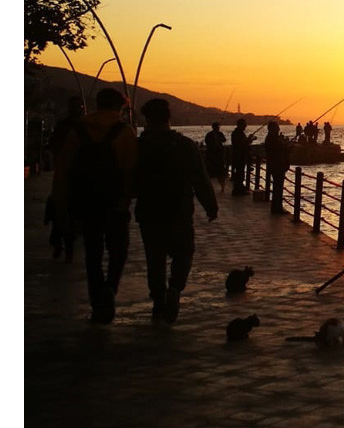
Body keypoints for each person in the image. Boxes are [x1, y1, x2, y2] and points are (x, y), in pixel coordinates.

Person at [49, 87, 137, 323]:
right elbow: (130, 171)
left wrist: (59, 202)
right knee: (119, 248)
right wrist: (127, 199)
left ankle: (97, 299)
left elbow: (63, 170)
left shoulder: (78, 130)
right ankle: (110, 287)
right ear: (120, 106)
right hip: (115, 203)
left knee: (92, 251)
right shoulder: (124, 131)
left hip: (85, 202)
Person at [135, 99, 219, 323]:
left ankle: (158, 301)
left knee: (155, 258)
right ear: (168, 118)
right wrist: (210, 205)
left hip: (149, 212)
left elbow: (128, 180)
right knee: (184, 252)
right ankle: (175, 288)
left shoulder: (139, 146)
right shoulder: (184, 145)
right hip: (179, 210)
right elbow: (200, 179)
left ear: (148, 119)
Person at [45, 96, 83, 261]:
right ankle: (66, 246)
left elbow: (53, 146)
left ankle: (60, 243)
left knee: (59, 208)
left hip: (64, 174)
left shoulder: (63, 125)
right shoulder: (85, 126)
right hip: (78, 176)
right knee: (72, 212)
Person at [264, 121, 292, 214]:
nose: (278, 129)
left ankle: (276, 207)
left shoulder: (271, 138)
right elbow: (280, 149)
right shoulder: (273, 139)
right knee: (278, 188)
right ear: (272, 129)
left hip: (275, 165)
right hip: (277, 166)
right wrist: (288, 147)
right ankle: (277, 208)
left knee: (277, 187)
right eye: (277, 128)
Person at [230, 118, 255, 196]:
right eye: (244, 125)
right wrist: (250, 139)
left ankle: (239, 188)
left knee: (240, 173)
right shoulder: (238, 133)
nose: (245, 126)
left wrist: (249, 139)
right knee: (239, 173)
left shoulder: (237, 133)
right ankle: (238, 190)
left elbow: (244, 143)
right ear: (240, 125)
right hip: (239, 156)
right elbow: (242, 144)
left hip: (239, 155)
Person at [203, 122, 228, 193]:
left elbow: (224, 140)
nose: (218, 128)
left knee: (220, 172)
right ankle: (210, 187)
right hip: (213, 156)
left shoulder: (219, 134)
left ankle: (222, 187)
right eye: (217, 127)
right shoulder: (210, 135)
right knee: (212, 172)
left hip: (218, 156)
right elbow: (207, 143)